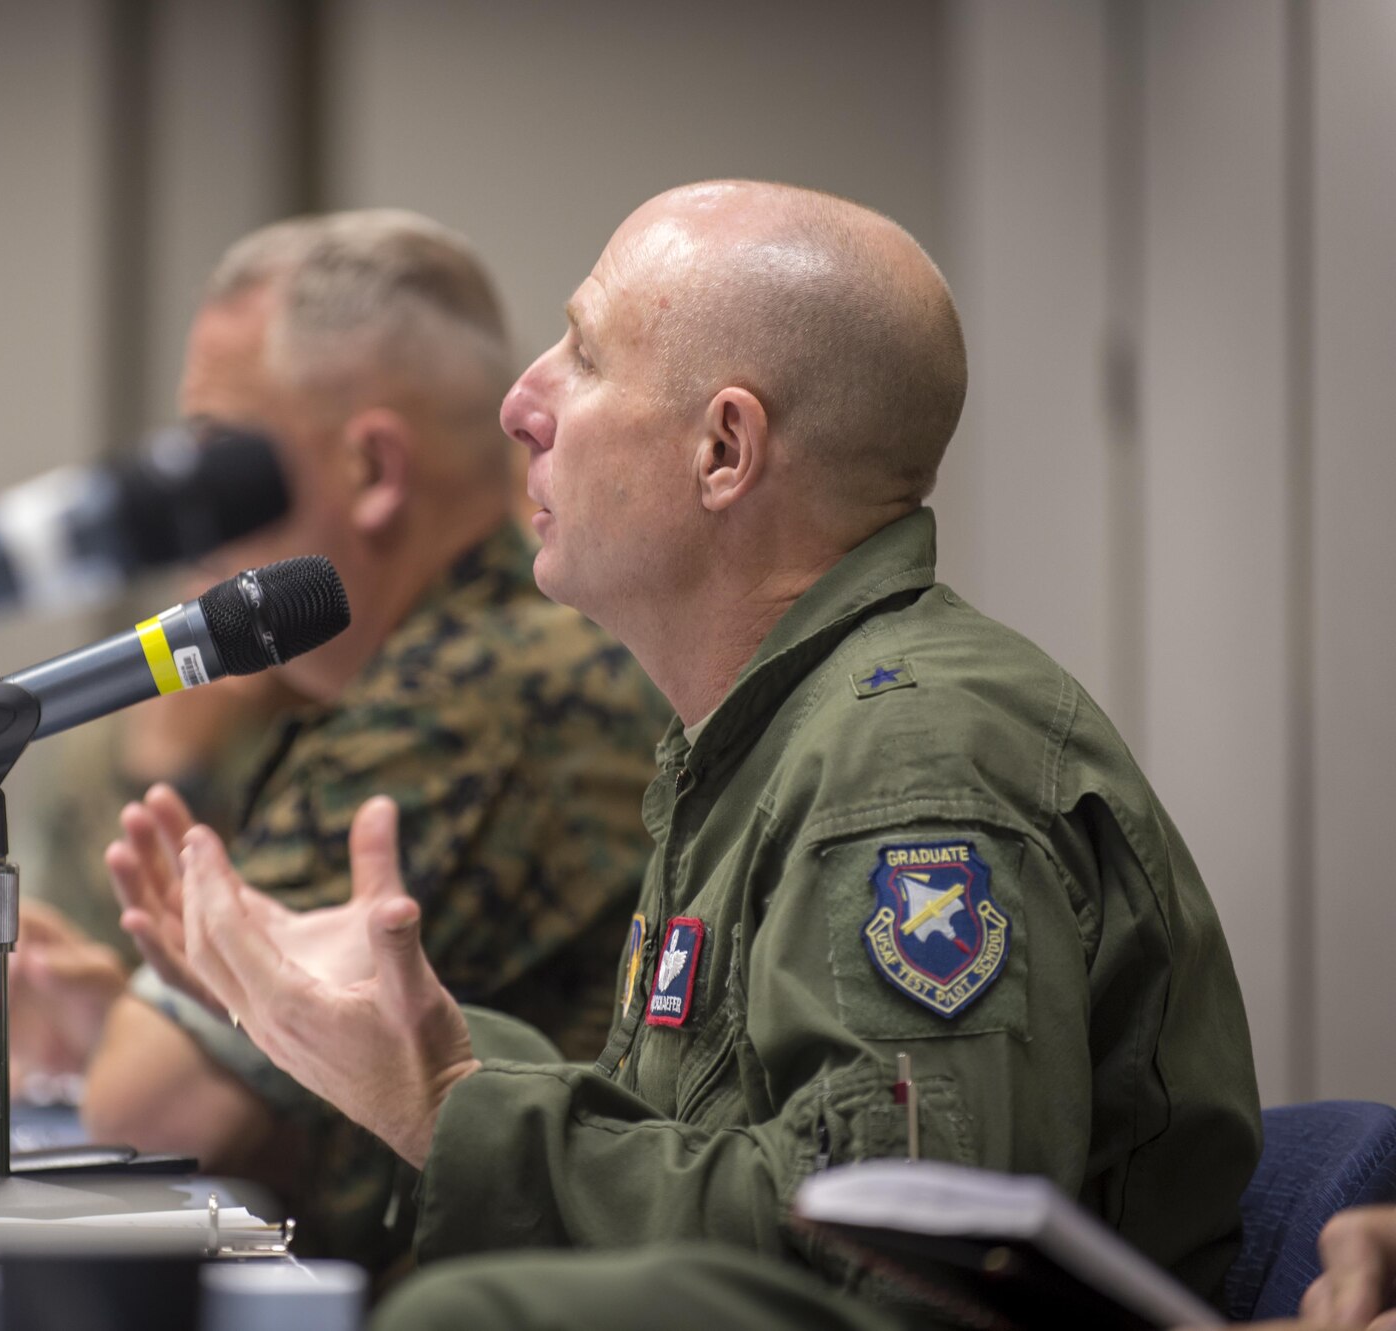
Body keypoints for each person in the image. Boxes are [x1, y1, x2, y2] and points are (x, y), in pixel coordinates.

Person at [118, 181, 1265, 1329]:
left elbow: (897, 1257)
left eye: (581, 353)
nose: (521, 401)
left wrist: (449, 1104)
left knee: (460, 1316)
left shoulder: (903, 760)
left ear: (723, 448)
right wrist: (419, 1045)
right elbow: (715, 1155)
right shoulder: (760, 735)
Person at [0, 210, 671, 1273]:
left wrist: (152, 1042)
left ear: (373, 468)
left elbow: (160, 1109)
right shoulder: (485, 652)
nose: (193, 522)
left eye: (219, 463)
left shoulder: (467, 701)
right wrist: (137, 1013)